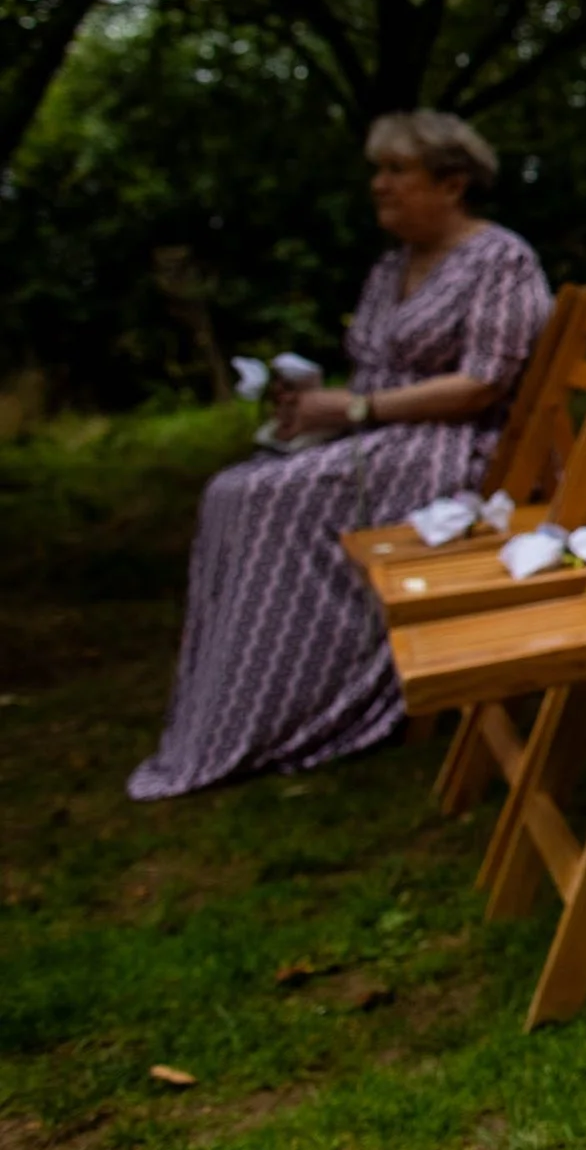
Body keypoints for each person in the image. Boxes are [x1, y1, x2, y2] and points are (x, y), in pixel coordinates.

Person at [131, 113, 551, 799]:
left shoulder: (500, 259)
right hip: (384, 437)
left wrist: (355, 409)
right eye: (377, 170)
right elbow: (373, 369)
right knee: (237, 488)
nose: (378, 185)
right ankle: (253, 697)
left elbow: (484, 382)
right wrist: (314, 407)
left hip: (455, 451)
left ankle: (301, 707)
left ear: (451, 183)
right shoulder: (394, 265)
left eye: (396, 171)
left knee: (257, 498)